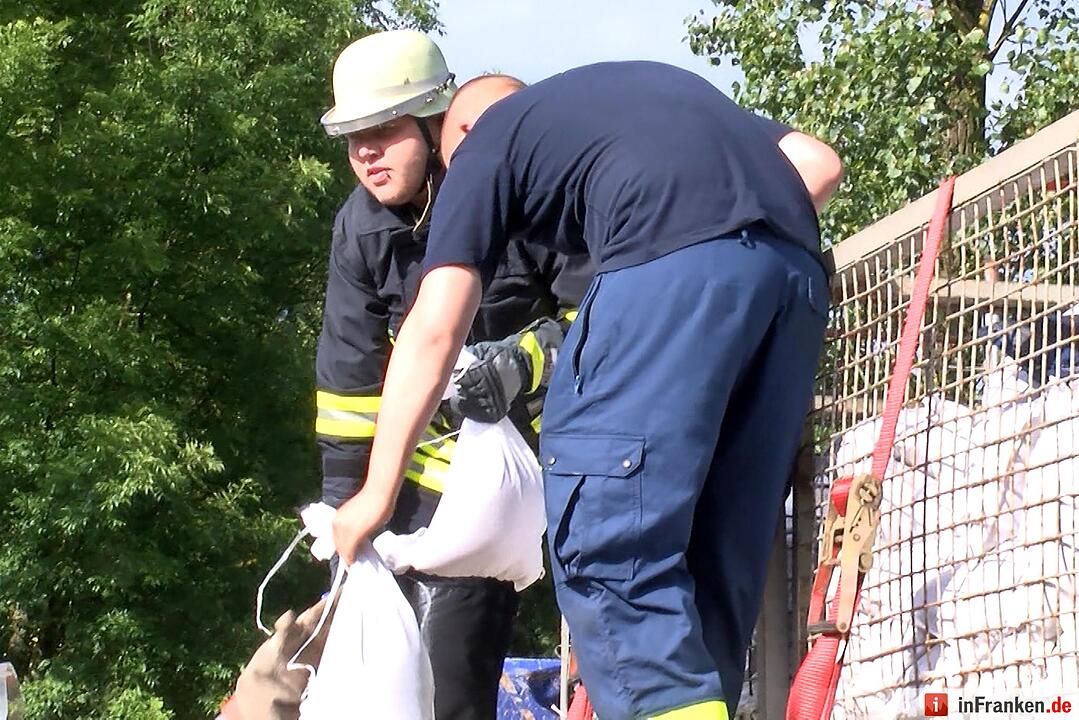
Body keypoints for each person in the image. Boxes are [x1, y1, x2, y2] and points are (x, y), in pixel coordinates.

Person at [331, 61, 843, 719]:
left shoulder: (485, 141)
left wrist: (372, 496)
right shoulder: (648, 92)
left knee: (607, 538)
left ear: (453, 128)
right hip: (793, 287)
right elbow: (818, 165)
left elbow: (433, 330)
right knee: (710, 556)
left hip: (665, 272)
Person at [314, 32, 591, 719]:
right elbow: (346, 386)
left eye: (382, 130)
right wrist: (343, 519)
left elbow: (611, 312)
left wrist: (524, 362)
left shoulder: (523, 195)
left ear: (438, 122)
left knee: (446, 697)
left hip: (500, 492)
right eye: (352, 138)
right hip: (400, 489)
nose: (365, 153)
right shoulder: (361, 227)